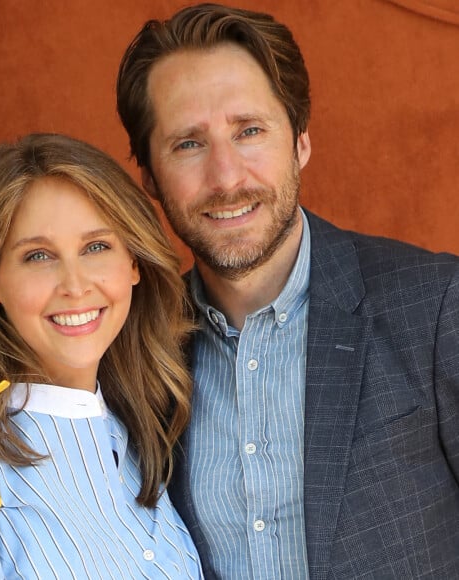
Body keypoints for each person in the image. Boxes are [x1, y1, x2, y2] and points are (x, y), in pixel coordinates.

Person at [116, 3, 459, 578]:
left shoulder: (435, 305)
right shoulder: (133, 347)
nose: (226, 178)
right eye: (188, 144)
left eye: (249, 131)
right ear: (149, 175)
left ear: (300, 142)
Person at [0, 133, 203, 578]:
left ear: (134, 264)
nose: (74, 284)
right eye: (37, 256)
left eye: (96, 247)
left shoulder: (141, 446)